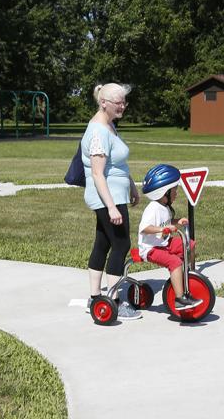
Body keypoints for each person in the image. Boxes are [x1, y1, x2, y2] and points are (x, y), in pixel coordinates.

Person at [83, 83, 142, 321]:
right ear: (103, 102)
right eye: (119, 103)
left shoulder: (109, 126)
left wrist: (132, 186)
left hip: (115, 195)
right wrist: (110, 207)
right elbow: (98, 173)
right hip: (107, 198)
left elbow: (116, 165)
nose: (123, 107)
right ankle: (115, 300)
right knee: (121, 244)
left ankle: (95, 298)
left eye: (124, 102)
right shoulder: (98, 131)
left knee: (103, 243)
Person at [137, 164, 203, 311]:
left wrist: (176, 221)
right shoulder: (153, 208)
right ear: (164, 192)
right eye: (174, 190)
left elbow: (166, 222)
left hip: (164, 243)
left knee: (189, 244)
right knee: (174, 262)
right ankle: (180, 299)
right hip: (151, 249)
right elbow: (144, 228)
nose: (176, 193)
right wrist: (163, 229)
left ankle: (189, 275)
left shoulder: (164, 207)